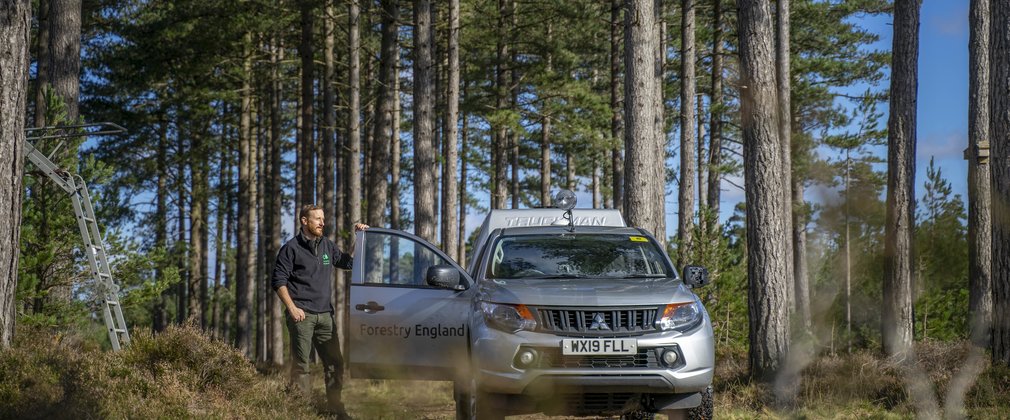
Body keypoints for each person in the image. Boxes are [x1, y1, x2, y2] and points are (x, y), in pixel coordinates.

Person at [272, 204, 368, 418]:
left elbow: (345, 262)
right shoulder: (291, 248)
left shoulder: (326, 245)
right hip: (302, 317)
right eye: (317, 219)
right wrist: (292, 308)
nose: (322, 223)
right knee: (301, 368)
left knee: (335, 363)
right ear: (304, 221)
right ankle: (301, 412)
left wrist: (358, 238)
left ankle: (335, 410)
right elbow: (278, 281)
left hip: (325, 315)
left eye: (323, 219)